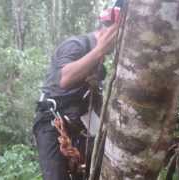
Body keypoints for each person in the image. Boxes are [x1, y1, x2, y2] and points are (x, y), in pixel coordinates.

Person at [33, 1, 124, 180]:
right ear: (110, 29)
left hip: (80, 125)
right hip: (52, 123)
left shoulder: (100, 66)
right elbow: (65, 79)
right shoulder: (76, 45)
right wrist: (100, 50)